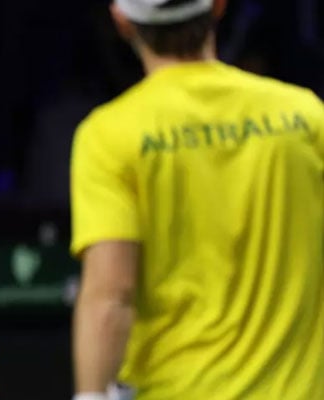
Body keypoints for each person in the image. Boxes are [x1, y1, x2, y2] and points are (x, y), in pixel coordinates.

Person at [69, 0, 324, 399]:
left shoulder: (109, 136)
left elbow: (111, 293)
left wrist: (90, 394)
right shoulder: (305, 116)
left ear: (121, 21)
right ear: (219, 7)